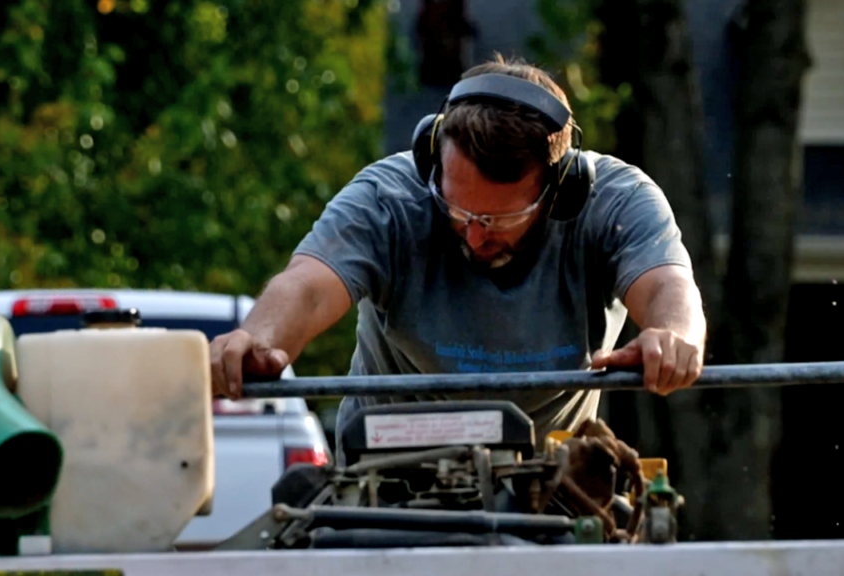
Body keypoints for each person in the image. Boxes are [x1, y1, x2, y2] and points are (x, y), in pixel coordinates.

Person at [209, 55, 707, 462]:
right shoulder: (389, 199)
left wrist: (674, 335)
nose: (472, 234)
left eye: (497, 220)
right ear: (432, 157)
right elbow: (308, 285)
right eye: (456, 208)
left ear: (561, 191)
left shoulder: (616, 204)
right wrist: (258, 339)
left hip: (547, 487)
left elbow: (668, 286)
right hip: (385, 479)